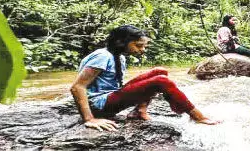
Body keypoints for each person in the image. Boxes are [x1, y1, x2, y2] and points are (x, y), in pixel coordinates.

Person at [70, 25, 219, 131]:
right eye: (138, 45)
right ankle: (197, 116)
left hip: (110, 97)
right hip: (99, 105)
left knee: (160, 72)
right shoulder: (102, 56)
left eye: (144, 46)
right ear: (121, 42)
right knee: (161, 81)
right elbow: (77, 87)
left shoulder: (119, 57)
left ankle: (139, 111)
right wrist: (89, 119)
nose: (142, 50)